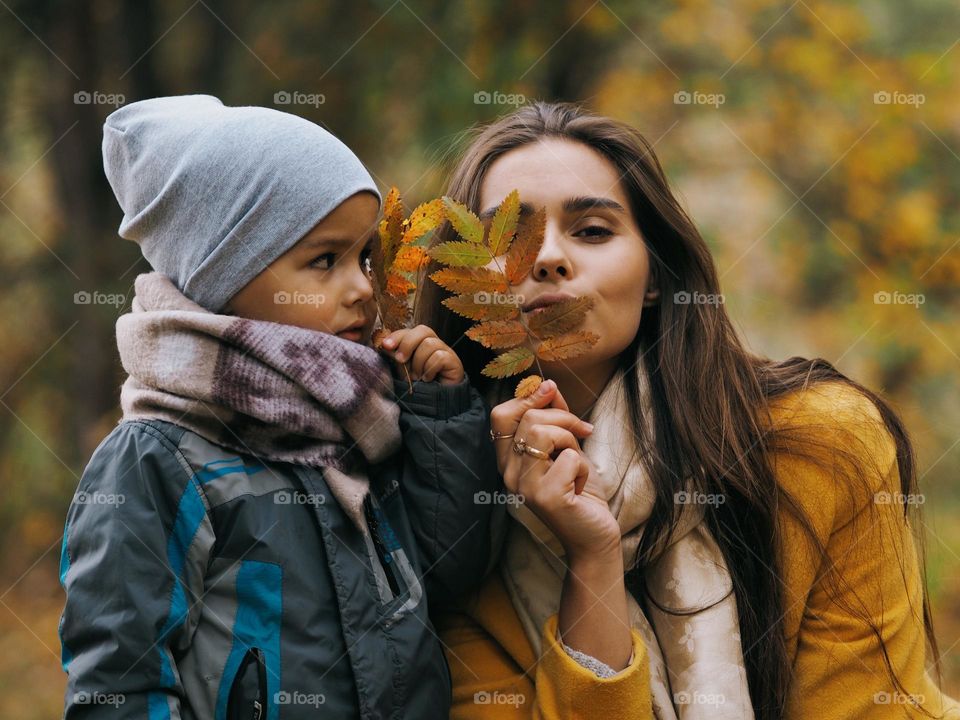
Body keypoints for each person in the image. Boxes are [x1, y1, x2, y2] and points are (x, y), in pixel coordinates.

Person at [419, 101, 960, 719]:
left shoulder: (822, 442)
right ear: (460, 287)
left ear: (655, 275)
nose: (546, 258)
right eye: (510, 239)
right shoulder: (447, 513)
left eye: (593, 230)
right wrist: (591, 561)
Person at [58, 95, 499, 719]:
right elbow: (119, 684)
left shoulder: (360, 417)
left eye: (364, 257)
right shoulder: (158, 458)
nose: (362, 288)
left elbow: (450, 576)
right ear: (221, 276)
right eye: (325, 260)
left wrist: (439, 415)